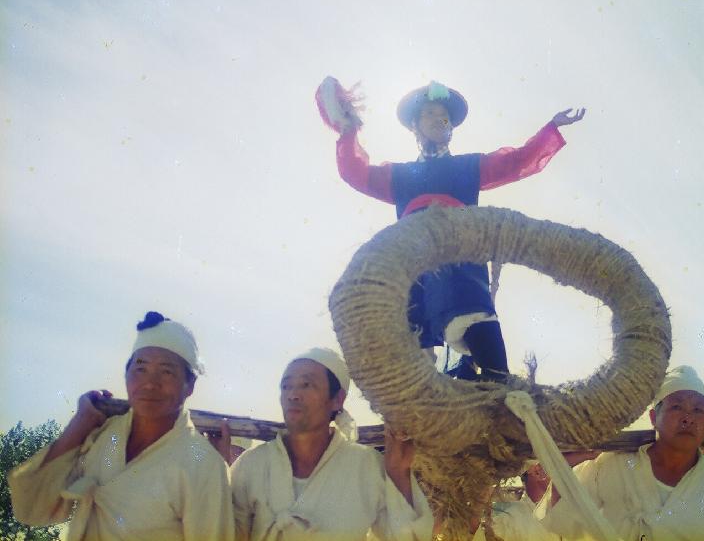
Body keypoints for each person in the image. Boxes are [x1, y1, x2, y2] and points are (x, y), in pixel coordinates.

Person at [321, 78, 585, 381]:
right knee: (414, 368)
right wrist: (347, 129)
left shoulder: (467, 168)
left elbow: (516, 162)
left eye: (443, 115)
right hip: (413, 269)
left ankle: (495, 394)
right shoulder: (401, 175)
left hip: (461, 269)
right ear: (415, 126)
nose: (439, 119)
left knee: (489, 359)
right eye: (430, 113)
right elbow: (356, 172)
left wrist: (551, 128)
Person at [9, 311, 234, 541]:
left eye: (167, 371)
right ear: (126, 375)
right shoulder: (103, 438)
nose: (150, 384)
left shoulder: (204, 465)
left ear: (190, 385)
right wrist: (79, 425)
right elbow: (32, 508)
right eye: (140, 369)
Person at [229, 347, 433, 541]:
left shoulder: (365, 465)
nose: (292, 394)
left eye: (306, 385)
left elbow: (408, 538)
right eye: (286, 386)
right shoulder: (251, 465)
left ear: (337, 399)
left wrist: (398, 471)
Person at [545, 365, 704, 541]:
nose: (688, 417)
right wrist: (560, 470)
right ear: (652, 418)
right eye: (677, 407)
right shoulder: (611, 466)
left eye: (698, 410)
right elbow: (566, 519)